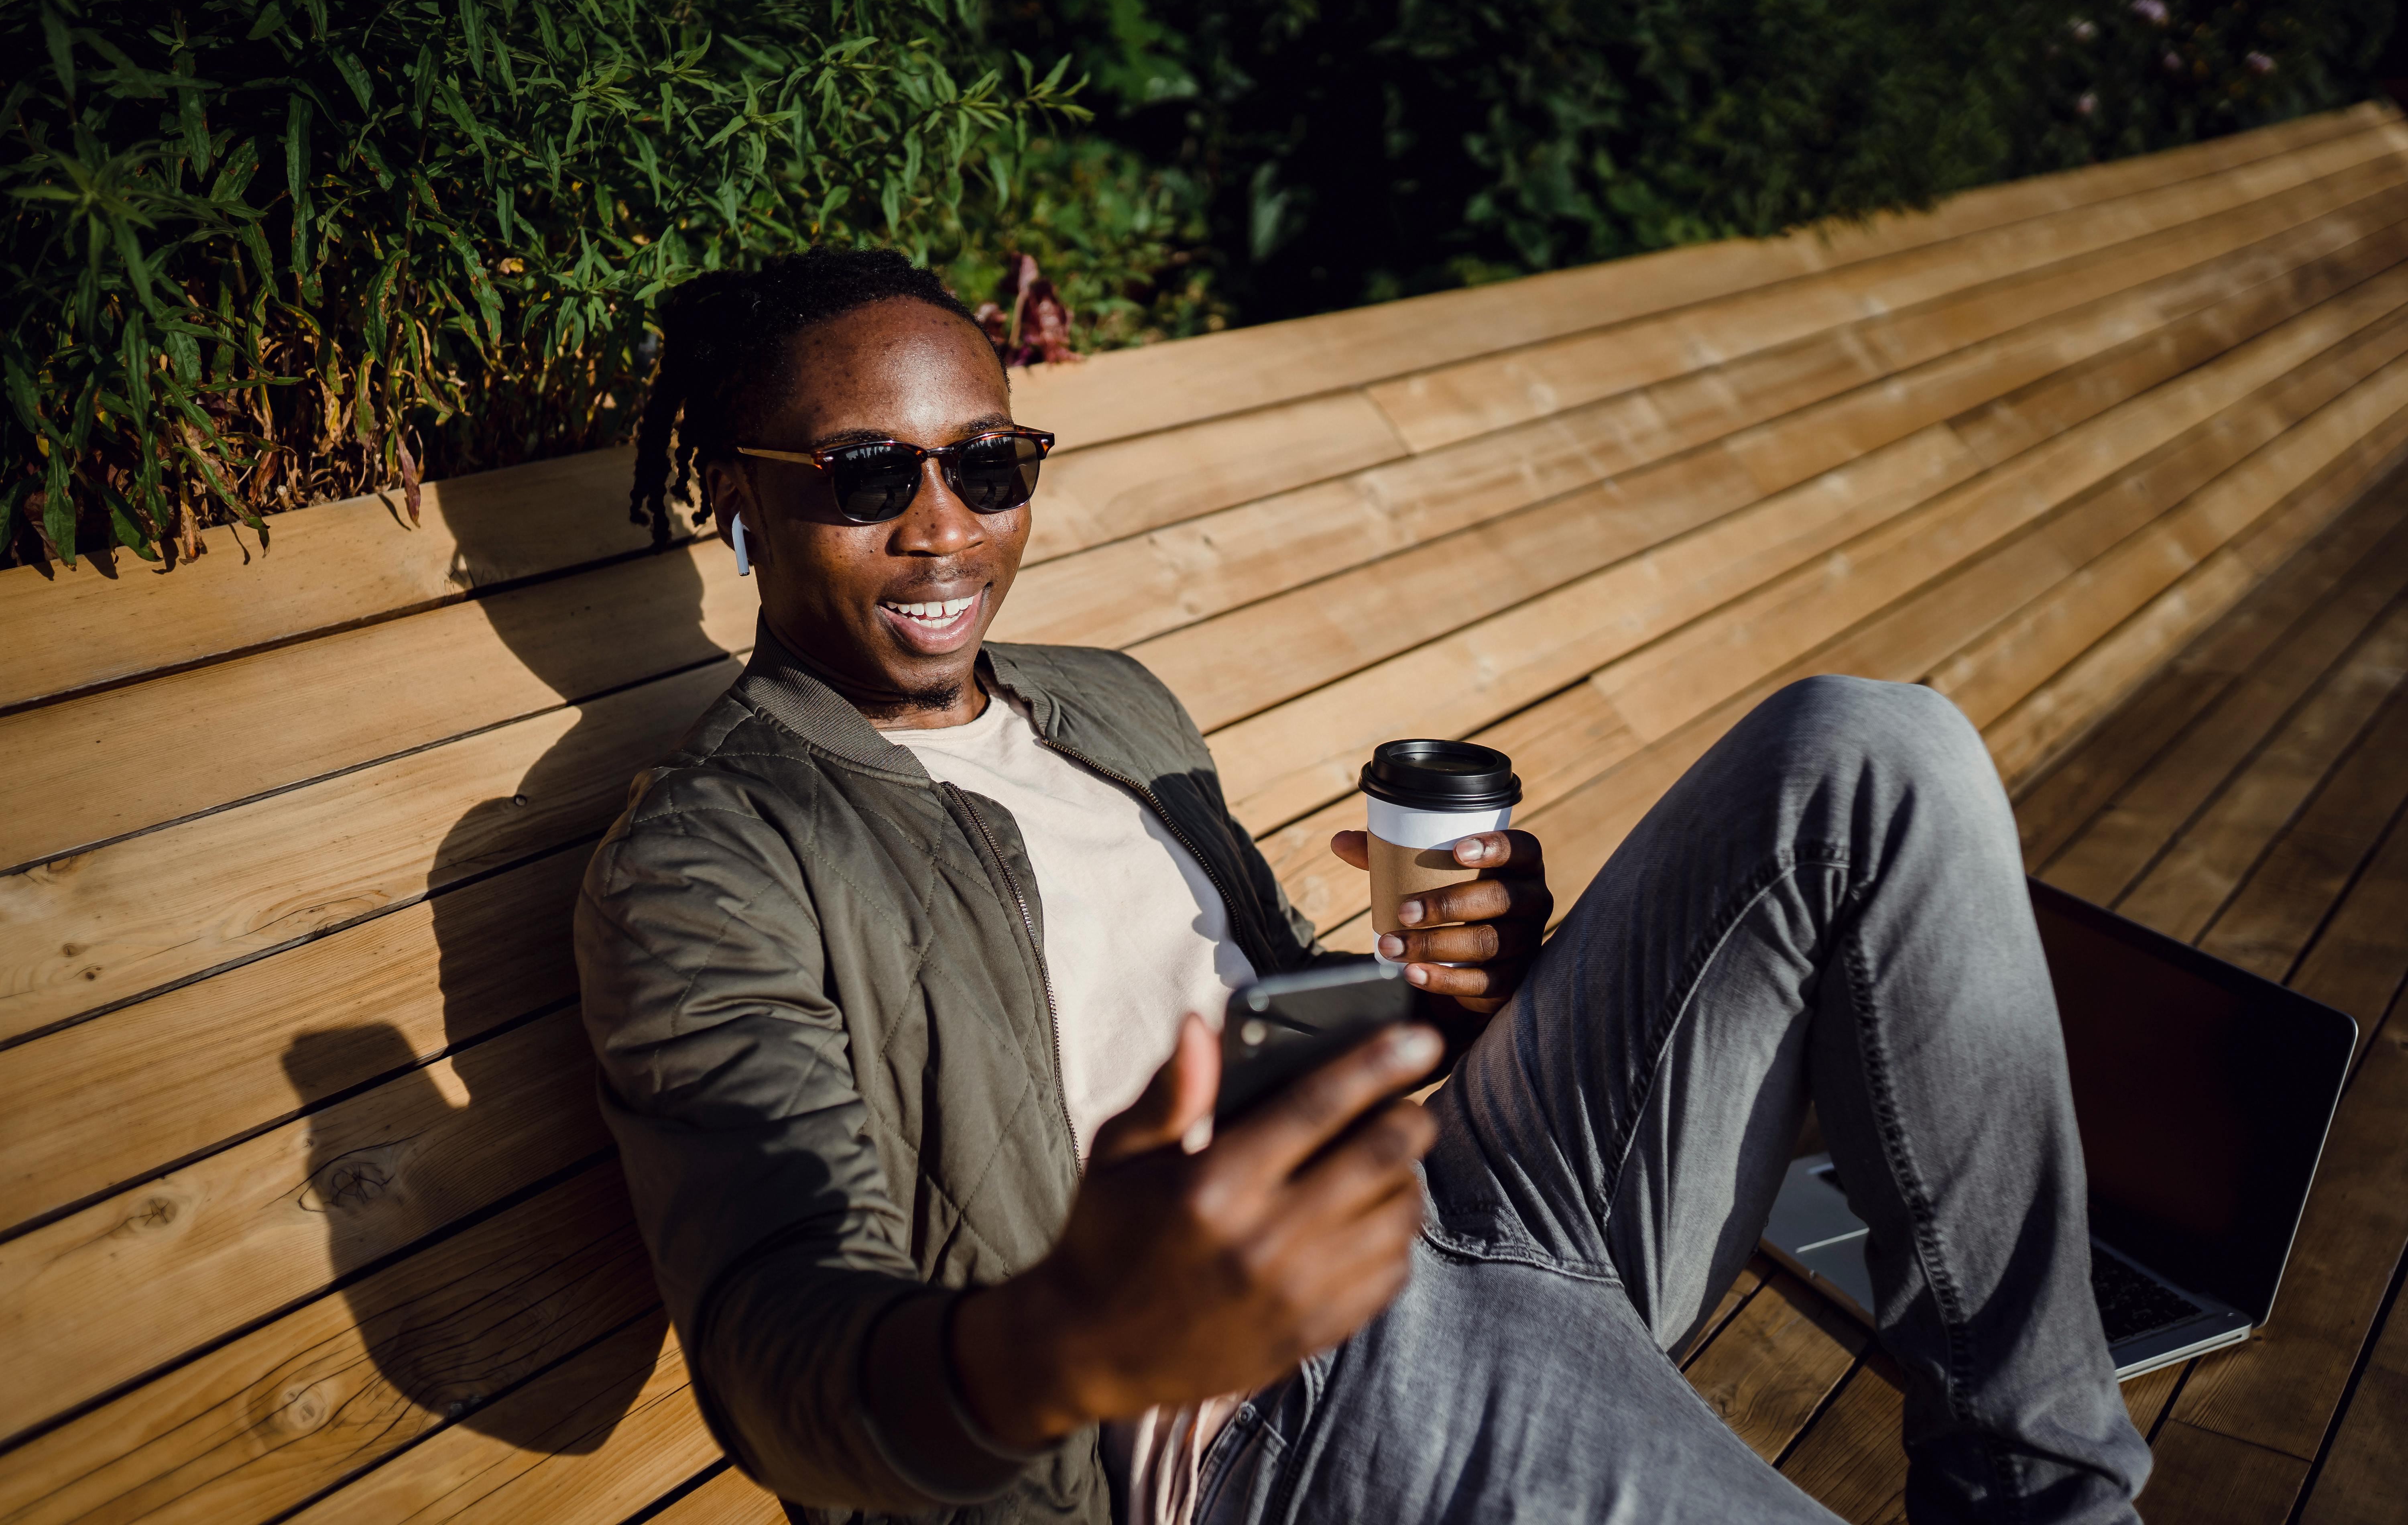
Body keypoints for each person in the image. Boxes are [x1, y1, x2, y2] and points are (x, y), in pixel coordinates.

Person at [576, 248, 2152, 1525]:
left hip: (1455, 1181)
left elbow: (1268, 1017)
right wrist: (1073, 1339)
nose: (946, 528)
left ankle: (2049, 1493)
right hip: (1271, 1398)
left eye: (989, 461)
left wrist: (1471, 984)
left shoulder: (1108, 700)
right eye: (866, 477)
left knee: (1877, 747)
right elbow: (775, 1340)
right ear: (739, 492)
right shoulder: (705, 862)